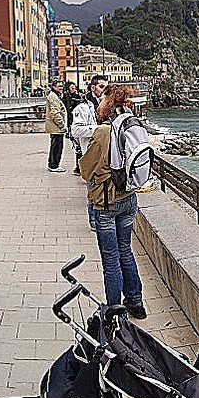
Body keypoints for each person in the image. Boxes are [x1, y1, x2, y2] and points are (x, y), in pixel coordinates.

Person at [78, 86, 148, 320]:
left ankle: (115, 313)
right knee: (125, 251)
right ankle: (136, 304)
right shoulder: (132, 126)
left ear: (106, 105)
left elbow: (86, 170)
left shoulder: (102, 132)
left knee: (111, 258)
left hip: (106, 204)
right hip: (129, 199)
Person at [43, 82, 69, 172]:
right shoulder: (54, 96)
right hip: (56, 127)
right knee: (57, 147)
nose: (61, 88)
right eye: (59, 86)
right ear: (54, 87)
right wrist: (62, 125)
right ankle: (54, 165)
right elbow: (55, 113)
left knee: (55, 146)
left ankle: (52, 164)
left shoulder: (54, 95)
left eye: (62, 86)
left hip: (55, 127)